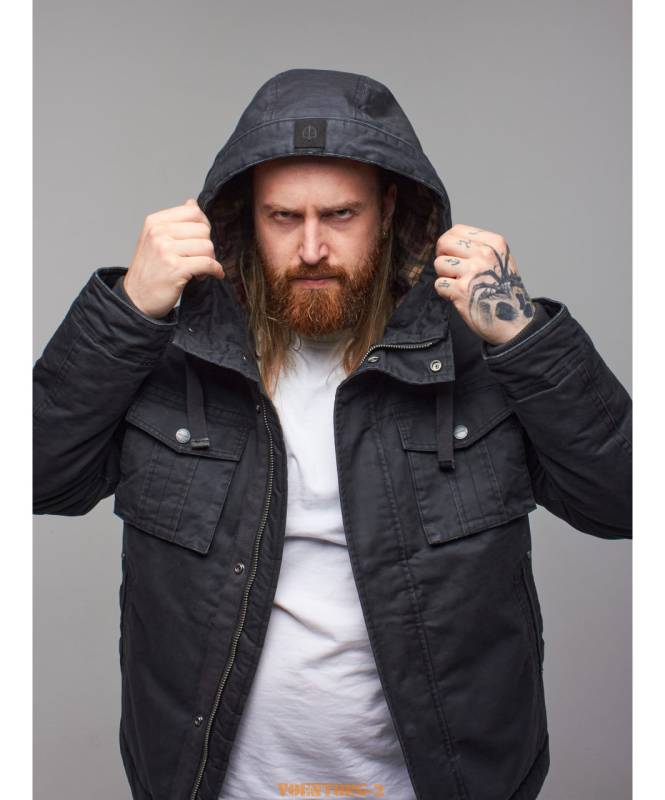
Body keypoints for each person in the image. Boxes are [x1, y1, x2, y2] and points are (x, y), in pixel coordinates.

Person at [33, 68, 632, 800]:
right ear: (243, 219)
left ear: (391, 211)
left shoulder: (477, 353)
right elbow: (39, 476)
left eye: (341, 215)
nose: (312, 247)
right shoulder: (172, 350)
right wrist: (127, 310)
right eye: (283, 217)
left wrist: (523, 334)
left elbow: (623, 500)